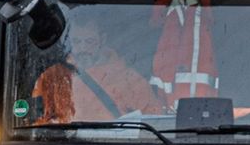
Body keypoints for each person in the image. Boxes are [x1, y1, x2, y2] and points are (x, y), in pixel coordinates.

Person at [31, 18, 162, 123]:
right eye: (77, 41)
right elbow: (35, 121)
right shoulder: (52, 77)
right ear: (69, 41)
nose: (82, 49)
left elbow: (153, 121)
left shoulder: (129, 79)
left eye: (89, 41)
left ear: (102, 40)